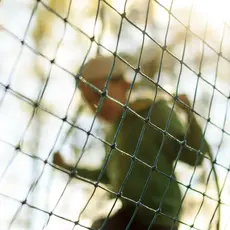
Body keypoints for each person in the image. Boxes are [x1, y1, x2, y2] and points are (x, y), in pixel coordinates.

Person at [54, 55, 209, 229]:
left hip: (161, 217)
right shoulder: (112, 134)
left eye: (99, 94)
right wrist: (67, 167)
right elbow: (106, 174)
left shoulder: (154, 113)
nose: (95, 107)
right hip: (131, 213)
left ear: (124, 84)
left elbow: (194, 156)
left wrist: (189, 115)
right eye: (88, 102)